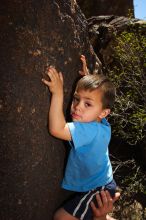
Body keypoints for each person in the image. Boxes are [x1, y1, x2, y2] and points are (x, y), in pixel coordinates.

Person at [42, 55, 117, 220]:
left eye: (87, 104)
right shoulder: (101, 121)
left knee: (61, 217)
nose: (77, 107)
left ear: (103, 112)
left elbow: (57, 129)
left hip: (97, 190)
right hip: (103, 180)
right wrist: (87, 78)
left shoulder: (88, 130)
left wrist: (58, 92)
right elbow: (98, 102)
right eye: (76, 99)